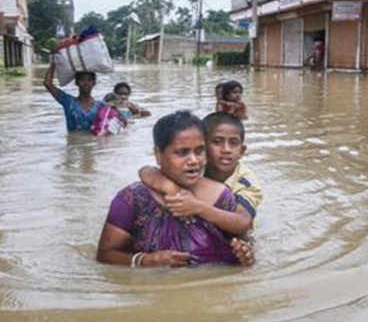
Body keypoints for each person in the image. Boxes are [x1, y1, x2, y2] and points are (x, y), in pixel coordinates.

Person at [97, 110, 255, 267]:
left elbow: (241, 241)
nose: (194, 160)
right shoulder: (133, 199)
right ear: (158, 155)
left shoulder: (222, 196)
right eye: (182, 153)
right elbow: (105, 255)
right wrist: (145, 261)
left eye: (199, 151)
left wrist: (245, 254)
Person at [139, 112, 262, 238]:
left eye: (234, 143)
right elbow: (146, 171)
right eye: (217, 142)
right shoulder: (195, 165)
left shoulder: (246, 182)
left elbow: (244, 223)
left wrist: (198, 207)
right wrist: (171, 189)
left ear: (242, 151)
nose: (226, 150)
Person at [43, 62, 99, 132]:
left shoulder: (100, 106)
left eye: (89, 80)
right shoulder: (68, 102)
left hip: (92, 142)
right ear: (77, 82)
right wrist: (54, 63)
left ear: (94, 83)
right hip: (73, 142)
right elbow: (47, 83)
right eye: (82, 79)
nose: (86, 83)